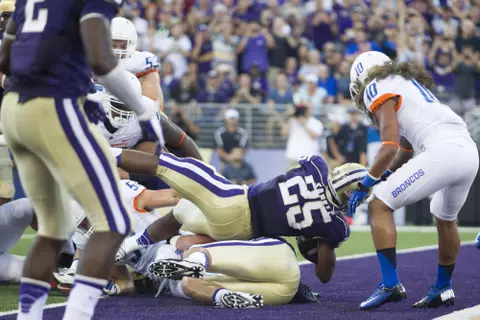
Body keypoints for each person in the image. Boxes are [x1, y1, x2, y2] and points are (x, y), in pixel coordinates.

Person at [0, 0, 164, 319]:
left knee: (53, 228)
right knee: (113, 222)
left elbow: (5, 61)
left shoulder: (29, 2)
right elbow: (102, 61)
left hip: (15, 112)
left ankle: (28, 316)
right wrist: (141, 106)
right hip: (53, 107)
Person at [111, 148, 367, 286]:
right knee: (183, 212)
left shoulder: (316, 166)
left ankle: (108, 153)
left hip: (236, 201)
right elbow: (324, 274)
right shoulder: (334, 226)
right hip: (241, 233)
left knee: (177, 165)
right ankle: (167, 259)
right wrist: (327, 241)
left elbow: (303, 161)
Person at [347, 51, 479, 310]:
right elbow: (405, 149)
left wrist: (367, 184)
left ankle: (390, 285)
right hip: (468, 150)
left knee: (379, 204)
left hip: (443, 151)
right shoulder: (405, 83)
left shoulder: (376, 86)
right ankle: (442, 288)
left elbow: (388, 146)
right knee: (444, 216)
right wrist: (385, 174)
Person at [111, 17, 164, 109]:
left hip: (132, 113)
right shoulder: (91, 58)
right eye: (114, 45)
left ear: (132, 43)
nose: (119, 50)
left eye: (123, 45)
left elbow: (155, 106)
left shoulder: (142, 61)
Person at [283, 104, 323, 169]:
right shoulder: (292, 121)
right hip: (293, 156)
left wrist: (303, 124)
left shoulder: (316, 122)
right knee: (290, 178)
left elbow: (314, 136)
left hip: (308, 158)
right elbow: (284, 133)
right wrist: (290, 116)